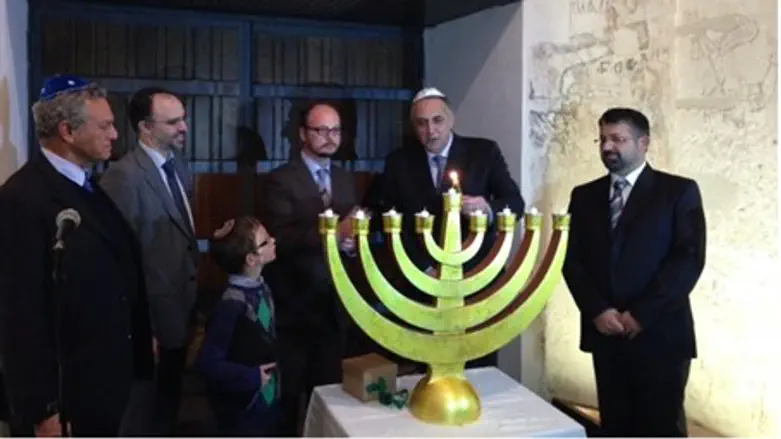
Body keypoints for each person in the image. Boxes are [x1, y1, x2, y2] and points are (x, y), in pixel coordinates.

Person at [0, 75, 154, 436]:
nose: (115, 135)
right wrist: (42, 410)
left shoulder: (87, 186)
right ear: (68, 131)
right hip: (67, 400)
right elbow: (21, 315)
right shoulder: (22, 200)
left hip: (102, 387)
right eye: (104, 126)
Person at [562, 107, 706, 437]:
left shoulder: (678, 192)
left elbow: (688, 259)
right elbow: (572, 260)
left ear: (644, 143)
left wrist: (640, 314)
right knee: (615, 425)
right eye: (603, 139)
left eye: (618, 139)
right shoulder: (583, 196)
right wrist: (597, 310)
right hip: (606, 335)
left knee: (660, 426)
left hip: (660, 334)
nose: (608, 147)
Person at [363, 87, 524, 368]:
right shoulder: (399, 162)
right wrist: (425, 269)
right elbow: (388, 218)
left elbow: (515, 203)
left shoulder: (483, 152)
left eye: (437, 121)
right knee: (424, 366)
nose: (431, 131)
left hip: (476, 278)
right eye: (421, 123)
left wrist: (486, 208)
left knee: (477, 364)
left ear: (451, 120)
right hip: (420, 280)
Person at [99, 87, 197, 435]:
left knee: (168, 406)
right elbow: (118, 261)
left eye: (183, 118)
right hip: (149, 324)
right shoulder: (122, 177)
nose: (184, 127)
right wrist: (142, 327)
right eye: (173, 122)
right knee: (144, 416)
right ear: (145, 127)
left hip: (180, 313)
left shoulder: (180, 167)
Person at [260, 101, 358, 436]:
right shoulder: (279, 180)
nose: (330, 138)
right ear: (303, 134)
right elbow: (280, 237)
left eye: (336, 130)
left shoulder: (345, 179)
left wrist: (352, 243)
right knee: (288, 400)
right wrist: (333, 233)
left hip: (333, 308)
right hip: (294, 309)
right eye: (321, 130)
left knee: (329, 395)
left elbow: (349, 238)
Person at [195, 217, 281, 436]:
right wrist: (251, 377)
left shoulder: (261, 287)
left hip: (267, 400)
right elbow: (209, 363)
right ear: (251, 259)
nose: (273, 240)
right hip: (243, 409)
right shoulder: (231, 304)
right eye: (264, 242)